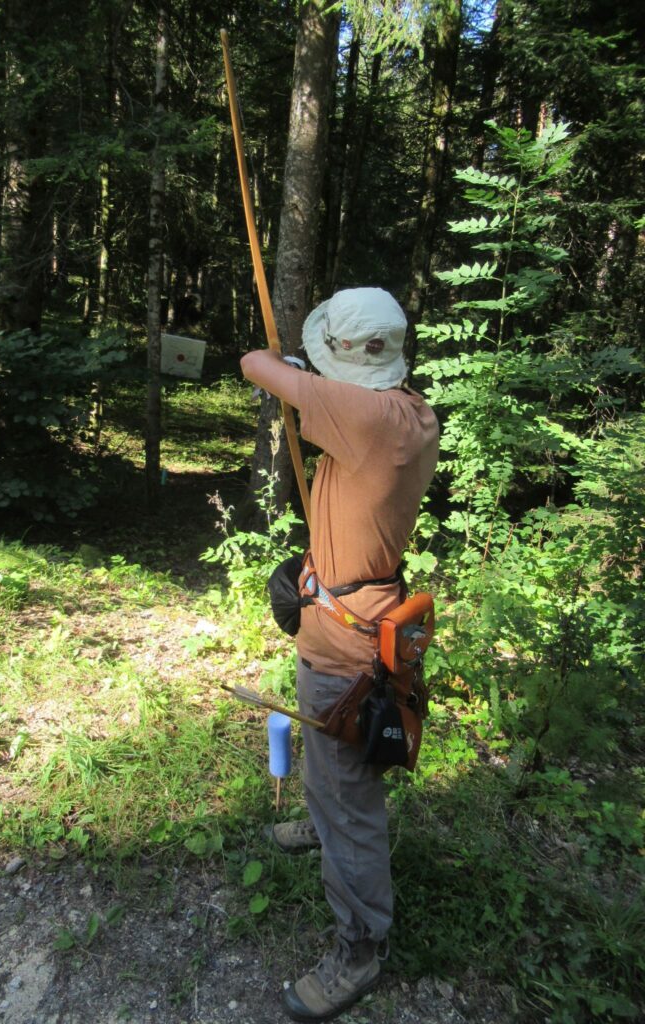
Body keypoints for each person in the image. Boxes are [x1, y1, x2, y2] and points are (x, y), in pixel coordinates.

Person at [240, 287, 439, 1023]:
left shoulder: (362, 417)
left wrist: (292, 368)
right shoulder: (410, 412)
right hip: (351, 616)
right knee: (333, 767)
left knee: (351, 800)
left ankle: (360, 946)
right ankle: (322, 819)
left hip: (346, 647)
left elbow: (254, 363)